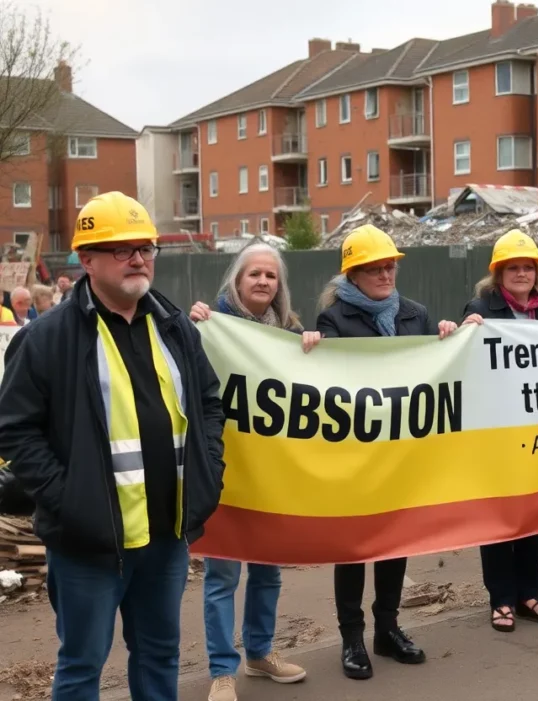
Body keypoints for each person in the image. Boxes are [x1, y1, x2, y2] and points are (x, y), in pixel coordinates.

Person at [0, 191, 227, 700]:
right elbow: (15, 430)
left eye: (145, 248)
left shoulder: (173, 327)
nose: (138, 259)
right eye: (122, 249)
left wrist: (209, 469)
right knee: (82, 665)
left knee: (160, 654)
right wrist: (69, 500)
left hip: (166, 535)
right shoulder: (47, 338)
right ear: (87, 260)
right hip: (89, 542)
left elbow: (209, 403)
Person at [316, 224, 457, 681]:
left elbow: (432, 368)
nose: (385, 274)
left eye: (389, 266)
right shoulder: (334, 321)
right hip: (356, 455)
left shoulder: (415, 314)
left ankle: (388, 629)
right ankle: (352, 637)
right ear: (352, 275)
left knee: (395, 541)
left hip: (400, 452)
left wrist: (449, 336)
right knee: (353, 546)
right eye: (374, 268)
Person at [188, 242, 319, 701]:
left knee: (267, 571)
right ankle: (222, 670)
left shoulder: (290, 331)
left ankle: (260, 654)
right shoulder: (210, 324)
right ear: (237, 280)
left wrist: (312, 348)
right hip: (224, 474)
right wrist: (192, 326)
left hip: (271, 476)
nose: (263, 281)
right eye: (254, 274)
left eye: (271, 275)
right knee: (222, 576)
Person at [462, 229, 538, 631]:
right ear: (499, 273)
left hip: (537, 428)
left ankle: (528, 593)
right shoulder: (480, 309)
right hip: (497, 431)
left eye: (528, 267)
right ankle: (501, 599)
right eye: (513, 268)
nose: (522, 274)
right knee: (499, 518)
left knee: (532, 515)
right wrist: (466, 331)